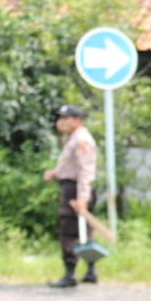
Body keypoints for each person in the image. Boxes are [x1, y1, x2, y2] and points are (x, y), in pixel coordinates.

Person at [43, 104, 98, 288]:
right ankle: (90, 272)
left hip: (77, 190)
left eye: (66, 118)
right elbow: (71, 167)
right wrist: (55, 172)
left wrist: (82, 198)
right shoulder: (73, 138)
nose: (61, 122)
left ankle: (69, 275)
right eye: (61, 118)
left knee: (69, 232)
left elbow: (85, 171)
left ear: (77, 120)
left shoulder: (81, 140)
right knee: (83, 232)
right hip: (76, 187)